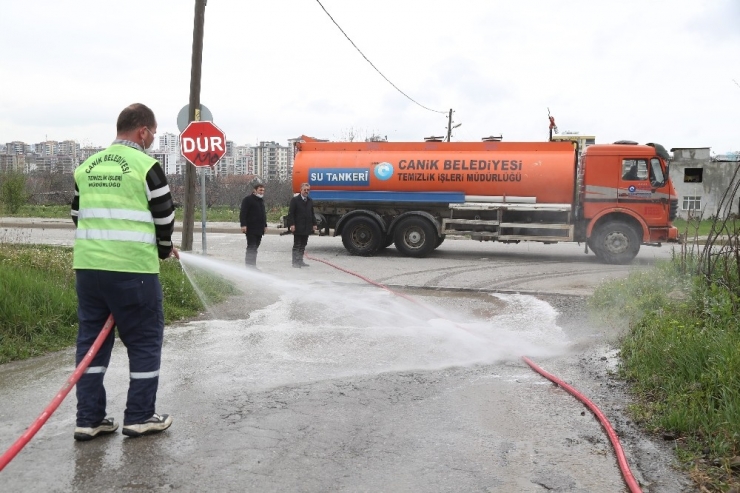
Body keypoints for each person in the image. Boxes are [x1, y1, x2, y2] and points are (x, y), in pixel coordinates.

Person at [70, 103, 178, 441]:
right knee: (144, 341)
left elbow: (77, 214)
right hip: (133, 270)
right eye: (154, 133)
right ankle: (140, 415)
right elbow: (164, 215)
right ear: (142, 131)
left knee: (91, 342)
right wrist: (162, 249)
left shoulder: (86, 166)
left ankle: (89, 419)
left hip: (88, 270)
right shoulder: (146, 166)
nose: (153, 140)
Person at [287, 182, 317, 268]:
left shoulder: (310, 200)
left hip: (307, 227)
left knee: (303, 245)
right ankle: (295, 262)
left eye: (308, 190)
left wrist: (314, 224)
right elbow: (291, 213)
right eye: (305, 190)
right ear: (301, 190)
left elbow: (312, 213)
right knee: (297, 245)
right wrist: (292, 224)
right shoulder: (295, 200)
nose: (306, 191)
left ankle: (300, 261)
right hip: (298, 226)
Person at [240, 181, 267, 269]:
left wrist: (265, 225)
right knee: (251, 247)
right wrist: (243, 225)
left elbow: (263, 214)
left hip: (259, 229)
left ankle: (253, 265)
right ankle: (249, 266)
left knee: (255, 248)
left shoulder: (261, 201)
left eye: (263, 190)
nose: (262, 192)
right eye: (260, 190)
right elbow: (243, 213)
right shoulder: (248, 200)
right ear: (254, 190)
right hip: (251, 229)